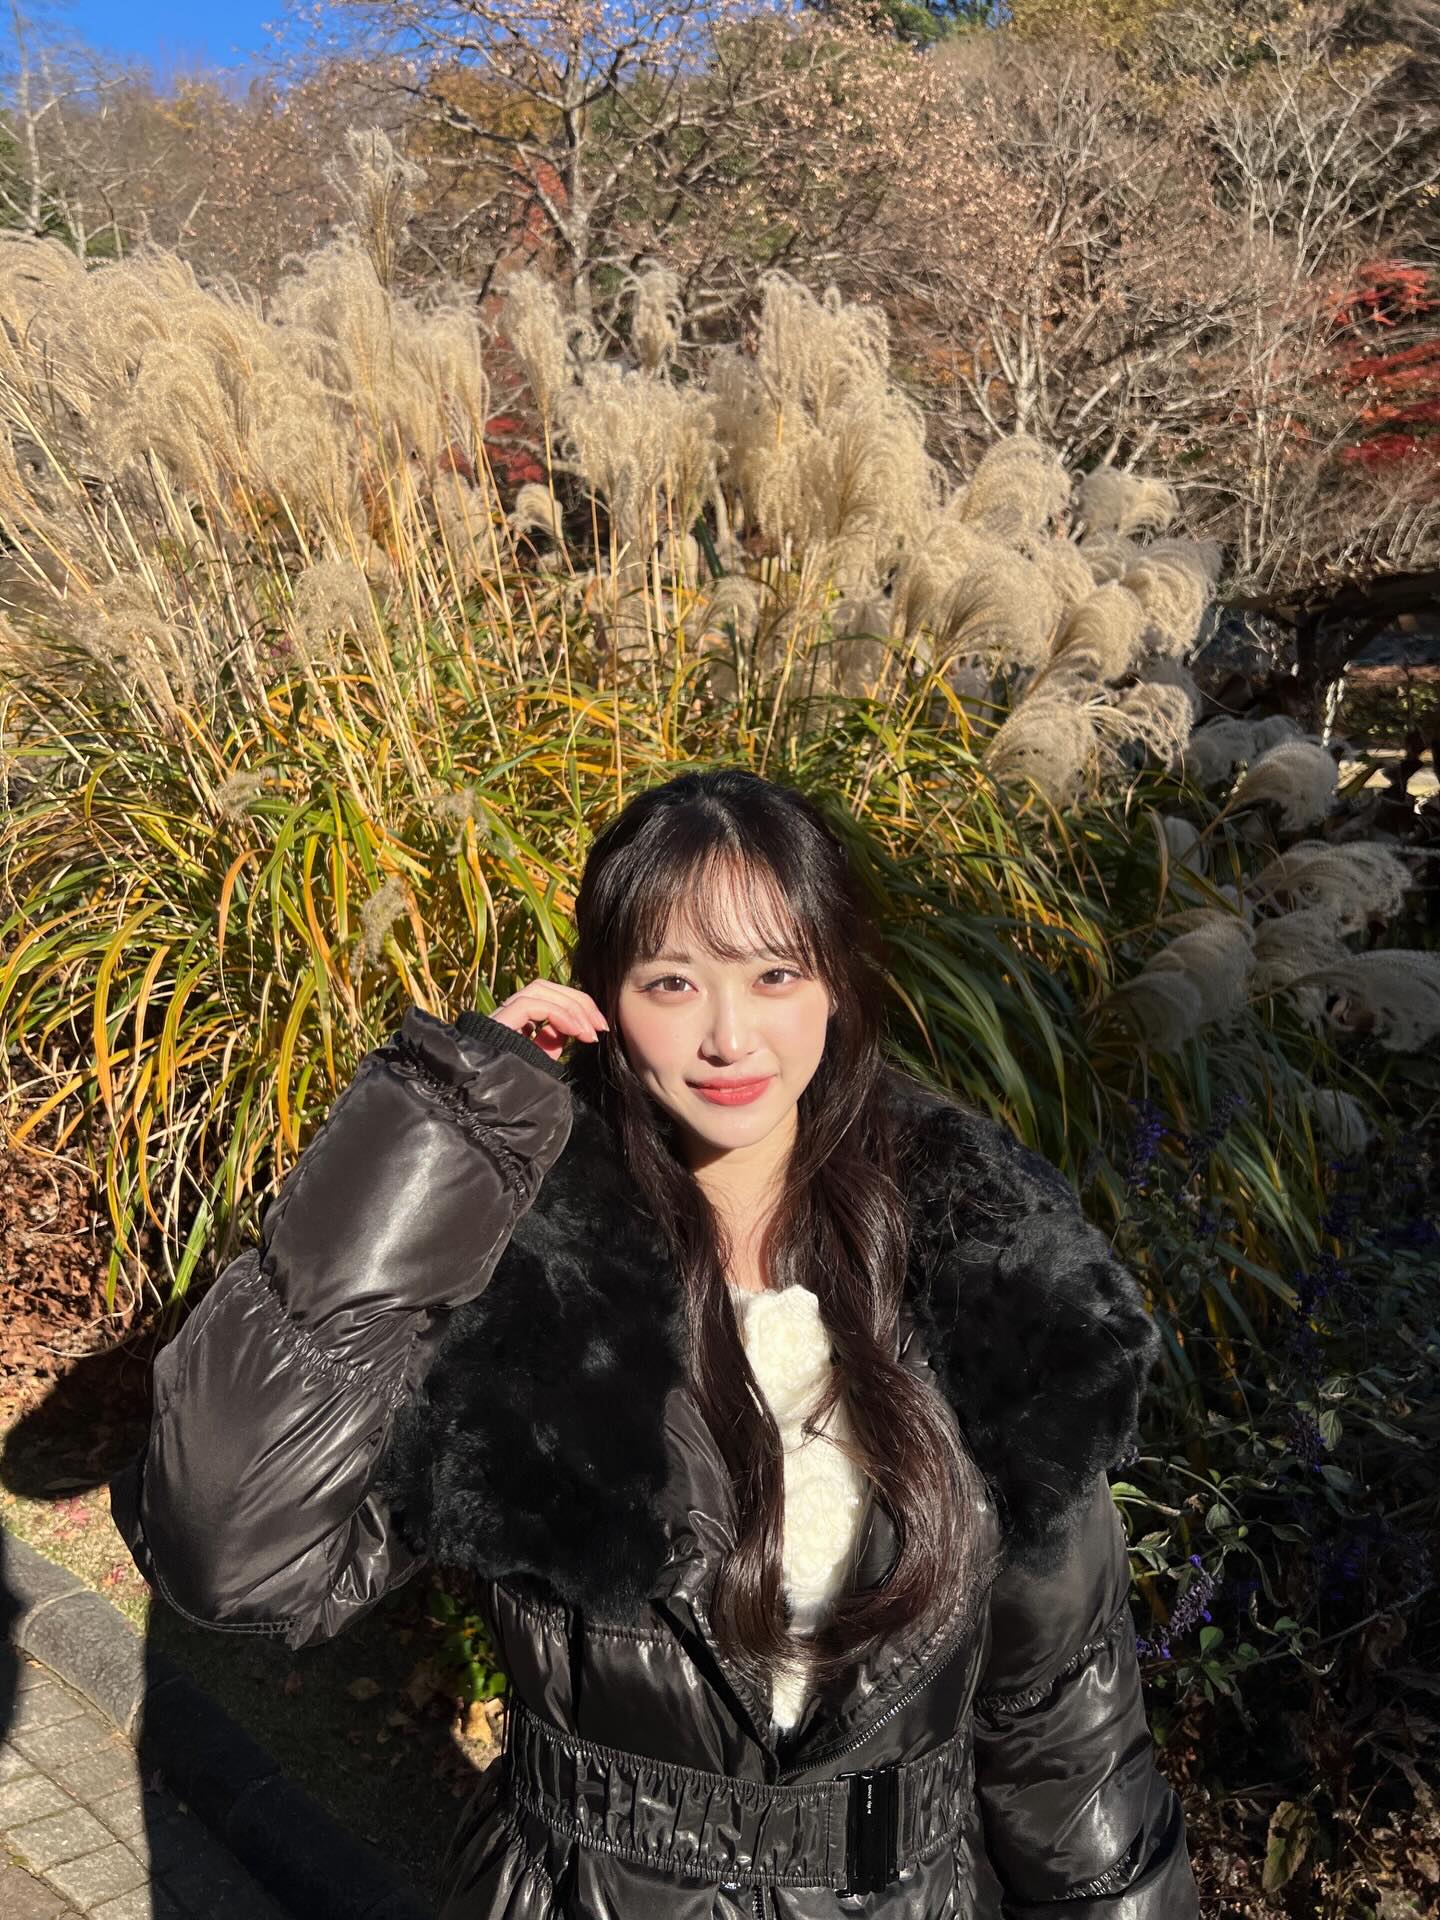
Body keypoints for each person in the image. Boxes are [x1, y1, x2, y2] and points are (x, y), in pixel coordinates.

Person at [111, 765, 1200, 1918]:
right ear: (604, 999)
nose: (729, 1036)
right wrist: (446, 1127)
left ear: (835, 984)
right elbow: (232, 1556)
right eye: (673, 981)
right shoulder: (523, 1282)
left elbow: (1065, 1736)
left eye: (774, 974)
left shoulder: (985, 1269)